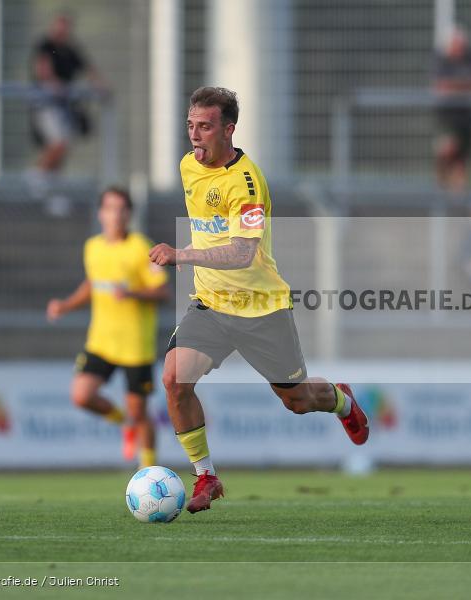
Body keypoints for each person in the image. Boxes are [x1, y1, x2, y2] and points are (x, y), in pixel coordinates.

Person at [149, 87, 369, 514]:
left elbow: (242, 252)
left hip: (261, 309)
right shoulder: (187, 166)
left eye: (205, 127)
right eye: (191, 125)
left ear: (228, 129)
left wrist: (182, 254)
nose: (195, 136)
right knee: (175, 381)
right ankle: (206, 476)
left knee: (298, 401)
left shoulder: (247, 182)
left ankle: (341, 399)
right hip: (210, 304)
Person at [47, 187, 169, 468]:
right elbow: (92, 283)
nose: (115, 214)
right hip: (101, 342)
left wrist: (132, 294)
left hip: (135, 346)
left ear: (129, 214)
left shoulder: (141, 247)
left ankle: (147, 471)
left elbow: (162, 292)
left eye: (121, 209)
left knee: (140, 413)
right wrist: (65, 305)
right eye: (110, 208)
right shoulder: (93, 247)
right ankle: (123, 422)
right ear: (101, 213)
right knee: (81, 395)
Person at [30, 13, 107, 174]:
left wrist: (101, 86)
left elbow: (88, 69)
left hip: (64, 105)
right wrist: (55, 84)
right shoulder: (45, 46)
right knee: (58, 142)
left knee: (64, 147)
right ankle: (37, 176)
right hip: (47, 104)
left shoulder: (69, 50)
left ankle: (51, 183)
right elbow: (42, 70)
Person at [432, 26, 471, 191]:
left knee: (462, 165)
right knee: (447, 149)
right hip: (447, 118)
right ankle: (441, 184)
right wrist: (464, 86)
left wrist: (455, 86)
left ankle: (458, 203)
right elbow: (441, 87)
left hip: (466, 119)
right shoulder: (442, 60)